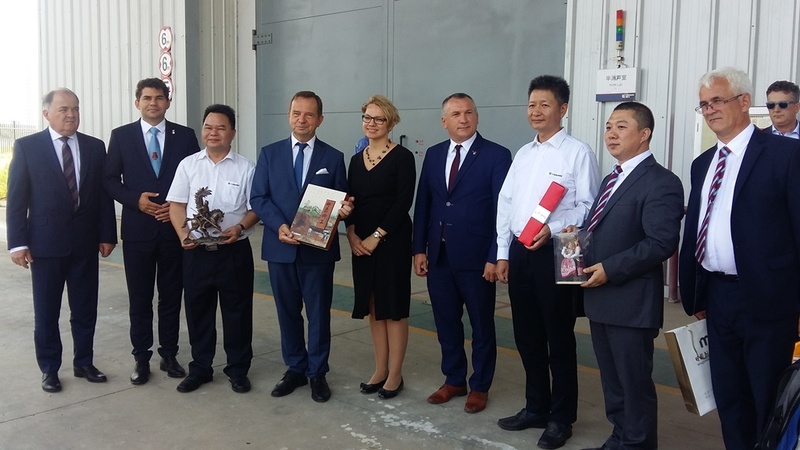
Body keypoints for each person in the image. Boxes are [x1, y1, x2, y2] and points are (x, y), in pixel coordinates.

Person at [679, 67, 800, 449]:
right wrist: (696, 291)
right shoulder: (703, 164)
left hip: (768, 298)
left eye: (717, 100)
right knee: (729, 396)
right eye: (704, 104)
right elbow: (698, 228)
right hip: (717, 298)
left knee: (767, 396)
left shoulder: (785, 155)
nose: (710, 110)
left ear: (744, 102)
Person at [495, 75, 600, 449]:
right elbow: (506, 204)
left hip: (562, 250)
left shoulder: (578, 152)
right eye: (531, 105)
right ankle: (536, 407)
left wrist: (552, 228)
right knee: (527, 335)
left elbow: (589, 207)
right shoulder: (523, 154)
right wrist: (503, 252)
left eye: (544, 104)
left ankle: (561, 417)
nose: (536, 111)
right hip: (522, 250)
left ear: (563, 108)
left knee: (559, 336)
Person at [575, 102, 684, 450]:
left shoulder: (661, 182)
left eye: (621, 127)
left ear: (644, 134)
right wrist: (578, 237)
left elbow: (661, 242)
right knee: (613, 383)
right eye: (609, 126)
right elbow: (603, 230)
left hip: (631, 301)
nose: (611, 133)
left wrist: (611, 268)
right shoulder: (612, 179)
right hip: (600, 298)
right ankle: (619, 438)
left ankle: (637, 443)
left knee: (634, 384)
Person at [6, 88, 117, 392]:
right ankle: (50, 369)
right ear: (47, 114)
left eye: (75, 109)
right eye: (64, 109)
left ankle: (84, 362)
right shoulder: (28, 147)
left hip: (85, 244)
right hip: (44, 245)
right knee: (47, 313)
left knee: (85, 309)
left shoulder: (94, 147)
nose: (71, 115)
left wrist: (107, 234)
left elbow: (103, 196)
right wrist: (18, 243)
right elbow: (17, 199)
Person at [250, 91, 353, 403]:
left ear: (320, 119)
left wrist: (344, 209)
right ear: (288, 115)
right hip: (280, 247)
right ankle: (295, 367)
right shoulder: (270, 154)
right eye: (296, 113)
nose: (302, 119)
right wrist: (278, 225)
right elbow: (259, 197)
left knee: (319, 314)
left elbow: (342, 198)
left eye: (309, 114)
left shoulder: (332, 157)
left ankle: (317, 372)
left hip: (316, 251)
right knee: (287, 312)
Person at [412, 93, 511, 413]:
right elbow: (424, 203)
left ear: (477, 117)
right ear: (444, 121)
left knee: (481, 325)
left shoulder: (496, 155)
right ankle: (454, 379)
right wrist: (419, 249)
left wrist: (495, 254)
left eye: (469, 112)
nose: (463, 119)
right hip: (439, 256)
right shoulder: (434, 154)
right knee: (446, 323)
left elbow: (502, 210)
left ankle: (480, 385)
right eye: (456, 114)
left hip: (477, 258)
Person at [103, 78, 200, 385]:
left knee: (171, 298)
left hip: (173, 231)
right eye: (147, 98)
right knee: (140, 299)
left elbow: (198, 176)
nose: (153, 103)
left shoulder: (185, 136)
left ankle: (169, 354)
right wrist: (136, 201)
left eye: (159, 97)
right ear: (137, 103)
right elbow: (109, 180)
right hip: (138, 232)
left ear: (168, 102)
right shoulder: (121, 136)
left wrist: (177, 206)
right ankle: (141, 358)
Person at [166, 104, 259, 394]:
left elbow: (255, 208)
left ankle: (238, 370)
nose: (213, 132)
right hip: (195, 251)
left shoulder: (246, 168)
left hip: (234, 252)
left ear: (232, 133)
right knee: (198, 312)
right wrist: (183, 235)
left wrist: (240, 227)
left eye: (221, 127)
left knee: (238, 313)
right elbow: (177, 205)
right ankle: (200, 368)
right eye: (208, 127)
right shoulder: (188, 165)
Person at [346, 94, 415, 399]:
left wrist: (377, 235)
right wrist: (351, 234)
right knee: (373, 305)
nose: (371, 123)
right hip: (361, 243)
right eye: (367, 118)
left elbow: (403, 202)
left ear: (391, 123)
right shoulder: (355, 160)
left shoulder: (402, 157)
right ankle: (380, 368)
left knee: (393, 308)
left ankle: (395, 374)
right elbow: (350, 201)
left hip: (391, 241)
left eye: (378, 119)